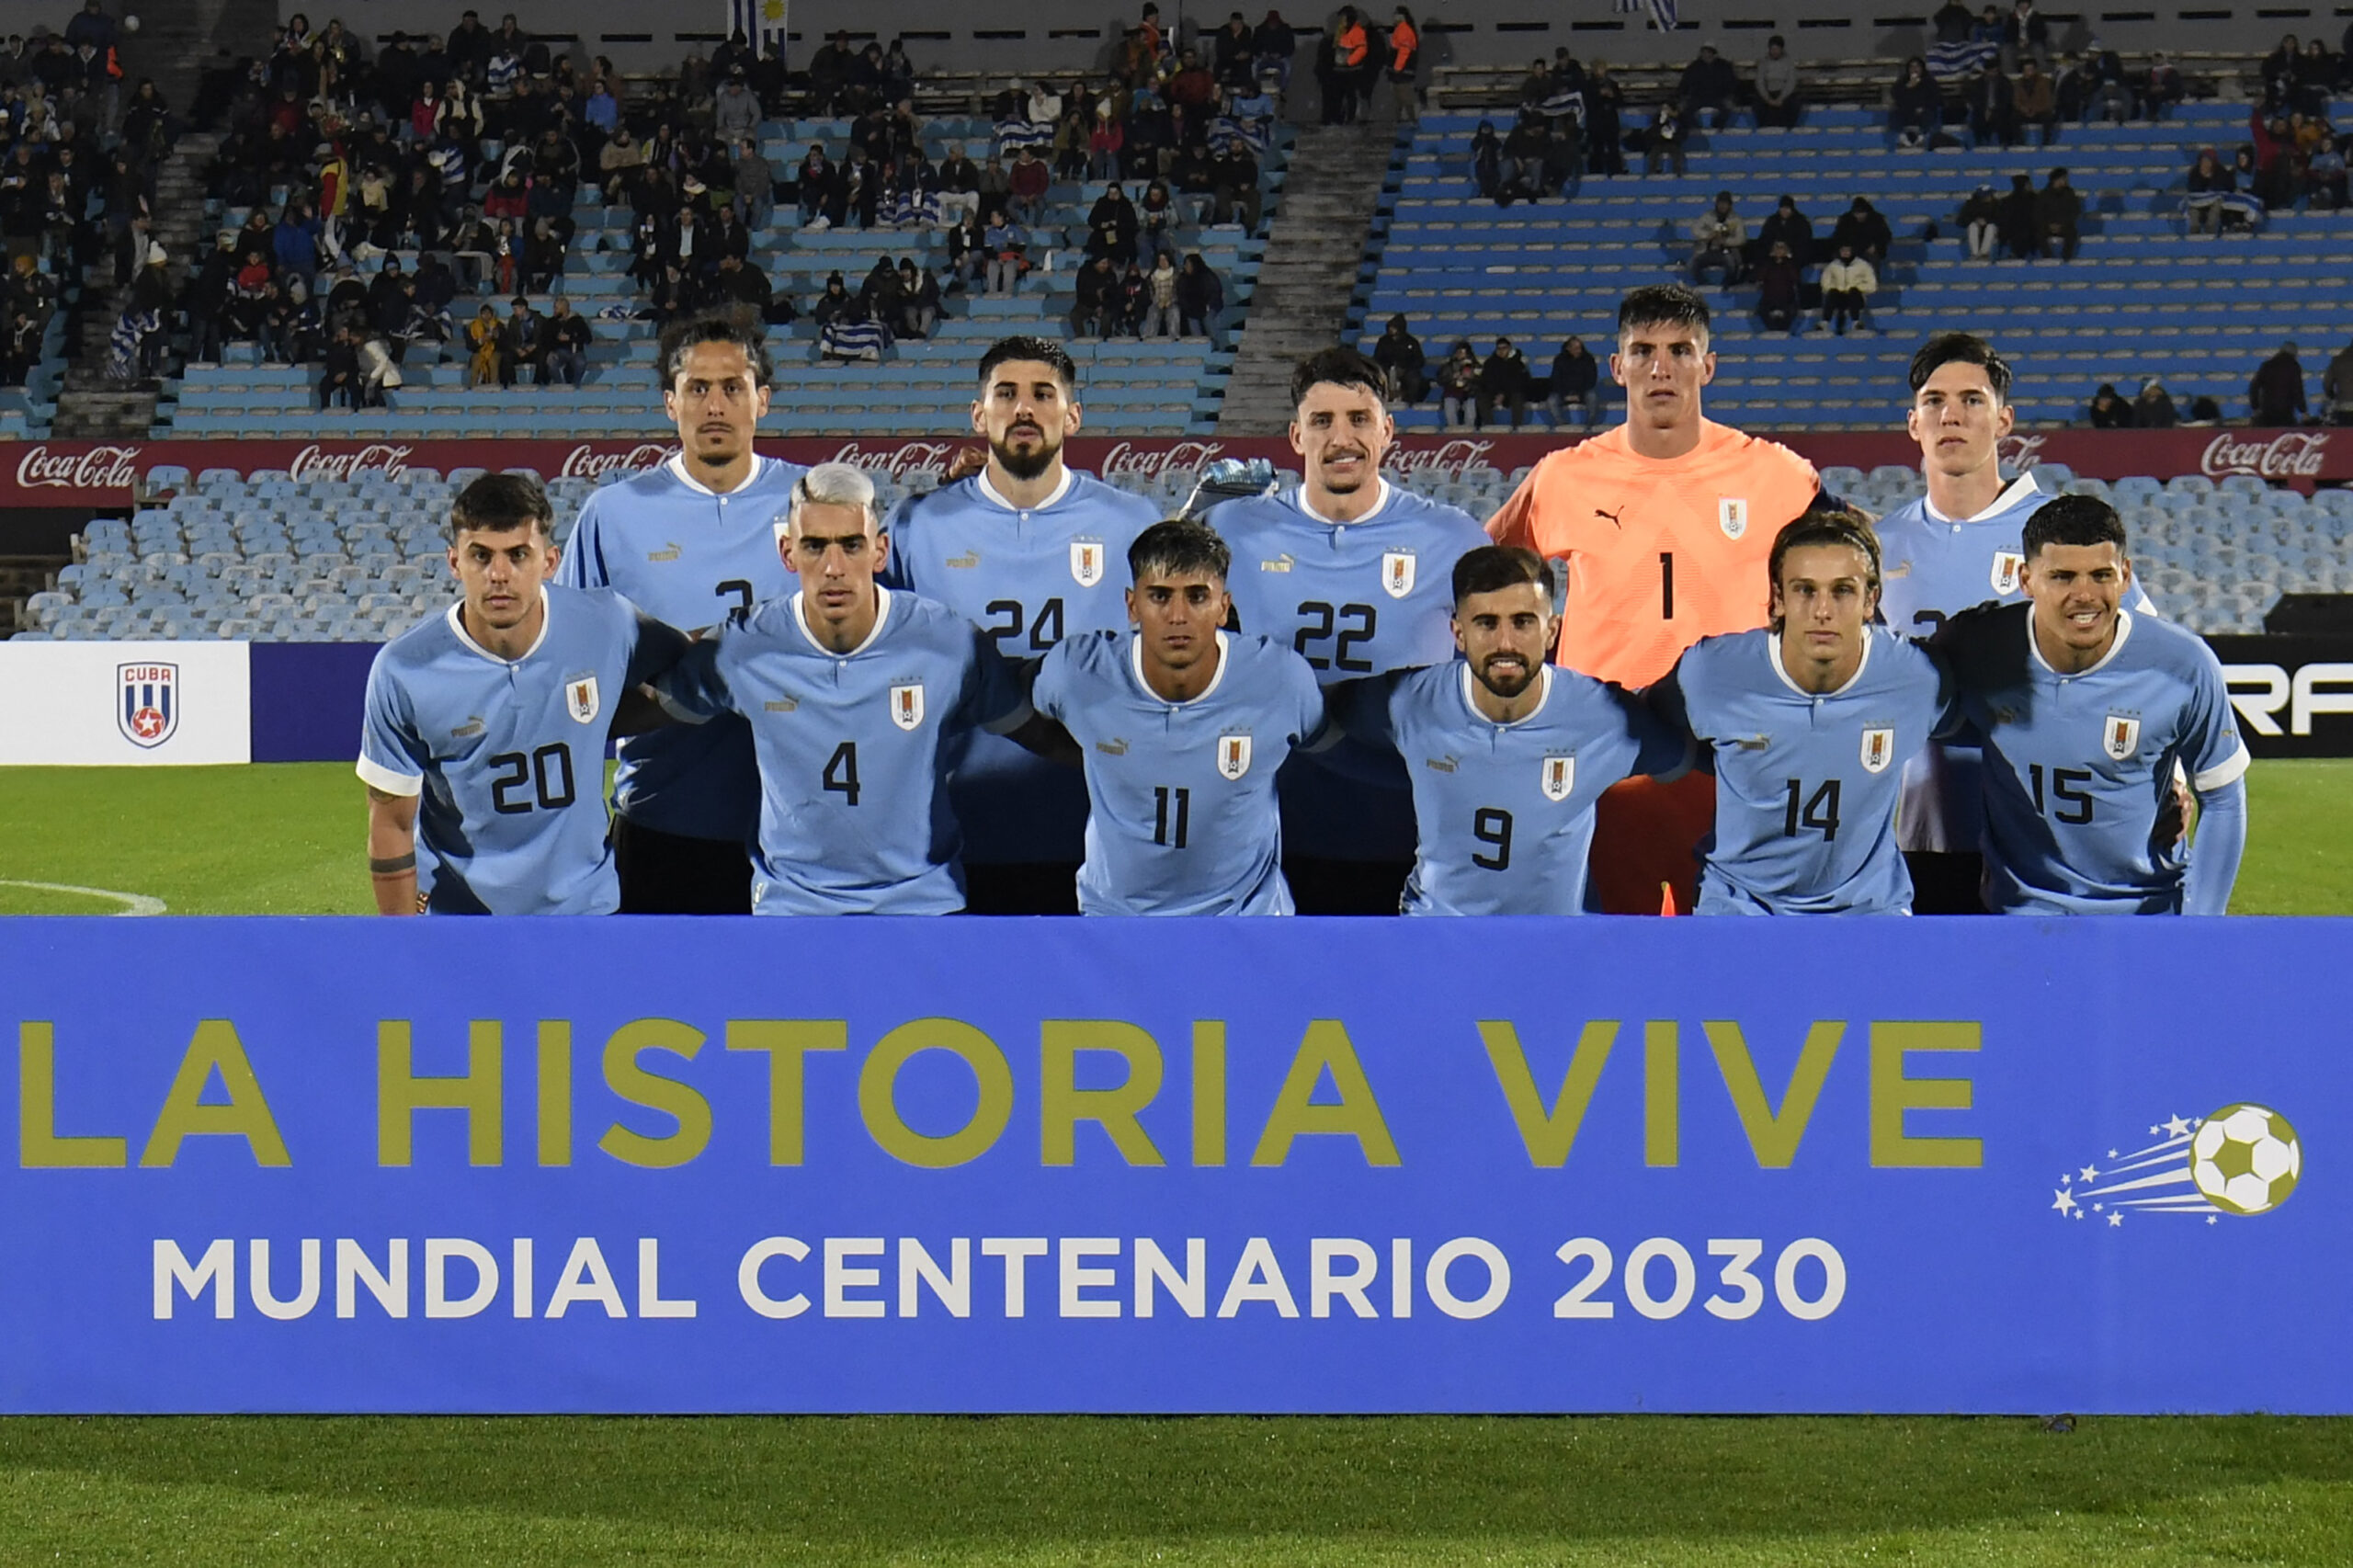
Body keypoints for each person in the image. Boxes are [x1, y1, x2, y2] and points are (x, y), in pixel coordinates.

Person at [1484, 284, 1824, 915]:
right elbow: (1485, 579)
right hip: (1603, 764)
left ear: (1709, 365)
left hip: (1739, 763)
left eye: (1680, 350)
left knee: (1736, 964)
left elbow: (1849, 576)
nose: (1661, 367)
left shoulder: (1777, 475)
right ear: (1616, 367)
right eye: (1642, 351)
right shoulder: (1563, 477)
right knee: (1608, 963)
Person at [651, 462, 1058, 915]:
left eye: (851, 545)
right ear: (788, 553)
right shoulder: (743, 646)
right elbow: (650, 706)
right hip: (792, 907)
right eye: (815, 546)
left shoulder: (948, 642)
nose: (834, 568)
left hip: (923, 905)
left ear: (879, 551)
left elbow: (1035, 732)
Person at [1875, 334, 2164, 913]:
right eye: (1934, 401)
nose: (1951, 415)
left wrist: (2169, 775)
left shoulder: (2061, 533)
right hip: (1913, 832)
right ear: (1913, 424)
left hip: (2044, 836)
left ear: (2005, 420)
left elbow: (2150, 662)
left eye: (1972, 400)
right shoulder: (1881, 545)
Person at [881, 335, 1163, 913]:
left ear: (1073, 415)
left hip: (1099, 834)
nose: (1024, 409)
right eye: (1006, 394)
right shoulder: (916, 525)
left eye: (1043, 394)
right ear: (980, 414)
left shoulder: (1133, 524)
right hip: (946, 836)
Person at [1208, 347, 1488, 913]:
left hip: (1409, 828)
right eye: (1322, 421)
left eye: (1358, 419)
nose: (1341, 438)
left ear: (1387, 431)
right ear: (1295, 436)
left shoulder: (1454, 538)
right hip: (1272, 831)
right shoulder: (1234, 529)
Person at [554, 312, 810, 914]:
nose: (715, 404)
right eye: (697, 388)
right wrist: (686, 686)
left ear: (762, 400)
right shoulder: (612, 516)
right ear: (671, 403)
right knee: (660, 1010)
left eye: (733, 387)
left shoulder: (820, 503)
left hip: (806, 838)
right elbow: (567, 692)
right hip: (662, 825)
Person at [358, 473, 688, 915]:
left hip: (586, 913)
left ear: (549, 561)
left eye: (517, 555)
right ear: (455, 563)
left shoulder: (608, 622)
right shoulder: (403, 670)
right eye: (481, 556)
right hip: (463, 921)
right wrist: (402, 944)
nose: (499, 575)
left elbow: (693, 669)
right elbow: (391, 823)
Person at [1933, 497, 2249, 915]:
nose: (2084, 595)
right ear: (2025, 580)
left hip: (2147, 913)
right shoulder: (1979, 647)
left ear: (2125, 576)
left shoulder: (2183, 664)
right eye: (2062, 576)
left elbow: (2224, 799)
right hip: (2019, 916)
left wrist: (2198, 929)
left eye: (2101, 575)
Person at [1338, 547, 1690, 915]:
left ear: (1551, 630)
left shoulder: (1604, 715)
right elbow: (1318, 724)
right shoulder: (1409, 700)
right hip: (1436, 931)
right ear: (1458, 633)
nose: (1505, 643)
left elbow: (1684, 756)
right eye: (1487, 624)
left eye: (1522, 622)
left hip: (1552, 943)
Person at [1650, 511, 1955, 915]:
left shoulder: (1917, 678)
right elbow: (1654, 732)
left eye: (1843, 590)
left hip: (1868, 909)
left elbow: (1982, 720)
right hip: (1742, 905)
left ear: (1872, 599)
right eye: (1805, 590)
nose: (1822, 610)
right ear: (1777, 598)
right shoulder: (1713, 672)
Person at [1032, 517, 1333, 915]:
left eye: (1197, 596)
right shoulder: (1077, 673)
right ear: (1131, 605)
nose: (1178, 616)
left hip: (1247, 919)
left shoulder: (1281, 680)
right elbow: (1020, 713)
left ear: (1224, 607)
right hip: (1116, 920)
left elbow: (1322, 737)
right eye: (1159, 596)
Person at [1689, 190, 1745, 285]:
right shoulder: (1708, 216)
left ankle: (1727, 285)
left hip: (1727, 252)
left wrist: (1726, 241)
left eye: (1725, 204)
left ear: (1730, 205)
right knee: (1692, 264)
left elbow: (1741, 238)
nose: (1722, 206)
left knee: (1731, 264)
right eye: (1720, 203)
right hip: (1708, 250)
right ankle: (1704, 284)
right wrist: (1708, 235)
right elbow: (1695, 229)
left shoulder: (1736, 219)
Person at [1819, 243, 1875, 335]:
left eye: (1847, 250)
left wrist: (1858, 288)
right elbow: (1825, 282)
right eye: (1843, 251)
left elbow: (1872, 285)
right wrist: (1836, 288)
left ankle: (1856, 322)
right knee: (1832, 292)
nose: (1845, 253)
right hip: (1839, 296)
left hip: (1856, 296)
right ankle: (1824, 322)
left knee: (1853, 291)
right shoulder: (1833, 265)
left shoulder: (1863, 265)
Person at [1678, 44, 1738, 131]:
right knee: (1686, 111)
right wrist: (1682, 99)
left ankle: (1717, 127)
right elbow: (1684, 84)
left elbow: (1732, 84)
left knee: (1726, 109)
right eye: (1703, 52)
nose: (1705, 55)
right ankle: (1696, 130)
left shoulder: (1724, 66)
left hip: (1719, 97)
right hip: (1698, 97)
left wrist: (1731, 97)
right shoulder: (1694, 67)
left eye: (1708, 52)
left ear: (1713, 53)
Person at [1477, 335, 1531, 428]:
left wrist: (1504, 394)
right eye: (1499, 348)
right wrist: (1496, 394)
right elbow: (1486, 381)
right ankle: (1490, 427)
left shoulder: (1518, 364)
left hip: (1511, 393)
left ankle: (1516, 427)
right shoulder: (1490, 363)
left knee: (1518, 397)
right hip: (1494, 393)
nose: (1501, 351)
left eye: (1504, 348)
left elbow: (1520, 383)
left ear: (1509, 348)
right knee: (1482, 399)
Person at [1548, 335, 1601, 426]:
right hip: (1563, 393)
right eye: (1576, 348)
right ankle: (1561, 424)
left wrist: (1579, 395)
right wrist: (1564, 394)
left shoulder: (1588, 359)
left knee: (1592, 397)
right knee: (1552, 400)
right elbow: (1555, 380)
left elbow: (1591, 380)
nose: (1579, 351)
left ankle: (1590, 424)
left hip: (1583, 392)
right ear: (1569, 348)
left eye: (1580, 348)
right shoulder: (1559, 360)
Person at [1375, 312, 1427, 403]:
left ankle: (1410, 400)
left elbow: (1420, 360)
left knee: (1414, 379)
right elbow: (1377, 358)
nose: (1391, 329)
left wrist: (1405, 368)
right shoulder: (1383, 341)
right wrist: (1388, 367)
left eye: (1394, 327)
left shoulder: (1411, 342)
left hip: (1407, 370)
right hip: (1387, 370)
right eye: (1390, 327)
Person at [2250, 341, 2307, 424]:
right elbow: (2297, 390)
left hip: (2267, 411)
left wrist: (2255, 406)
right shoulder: (2294, 367)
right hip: (2286, 412)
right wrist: (2303, 410)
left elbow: (2254, 387)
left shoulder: (2267, 365)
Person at [1891, 57, 1942, 148]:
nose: (1914, 69)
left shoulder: (1929, 81)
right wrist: (1908, 87)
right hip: (1906, 111)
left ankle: (1921, 139)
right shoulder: (1903, 82)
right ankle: (1903, 139)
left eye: (1917, 66)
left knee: (1928, 115)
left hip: (1924, 111)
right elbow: (1896, 96)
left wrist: (1923, 107)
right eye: (1911, 67)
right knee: (1895, 114)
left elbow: (1935, 99)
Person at [1754, 241, 1803, 335]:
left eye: (1782, 249)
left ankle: (1784, 332)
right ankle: (1773, 332)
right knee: (1762, 310)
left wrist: (1786, 262)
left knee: (1792, 311)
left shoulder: (1791, 264)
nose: (1779, 252)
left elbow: (1796, 278)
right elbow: (1760, 276)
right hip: (1769, 298)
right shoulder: (1767, 263)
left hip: (1787, 298)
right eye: (1777, 249)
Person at [1754, 35, 1802, 128]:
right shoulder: (1764, 62)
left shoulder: (1788, 62)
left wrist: (1781, 98)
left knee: (1794, 105)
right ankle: (1763, 128)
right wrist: (1767, 98)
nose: (1774, 52)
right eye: (1773, 49)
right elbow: (1760, 81)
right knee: (1758, 106)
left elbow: (1791, 82)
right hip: (1768, 91)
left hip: (1783, 92)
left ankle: (1788, 128)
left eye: (1777, 49)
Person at [2035, 166, 2081, 260]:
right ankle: (2047, 256)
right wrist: (2049, 225)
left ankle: (2066, 257)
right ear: (2057, 179)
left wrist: (2061, 224)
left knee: (2072, 233)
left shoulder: (2070, 193)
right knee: (2038, 233)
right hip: (2047, 226)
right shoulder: (2044, 195)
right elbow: (2038, 213)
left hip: (2064, 226)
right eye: (2064, 178)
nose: (2066, 181)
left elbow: (2075, 211)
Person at [2322, 337, 2353, 425]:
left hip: (2343, 406)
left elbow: (2327, 383)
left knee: (2345, 436)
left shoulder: (2338, 361)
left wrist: (2332, 395)